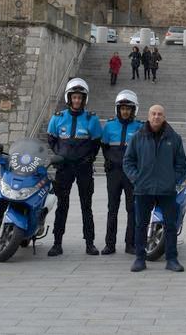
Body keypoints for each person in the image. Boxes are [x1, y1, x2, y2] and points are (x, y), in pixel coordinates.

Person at [123, 104, 186, 272]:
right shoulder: (138, 137)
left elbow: (181, 164)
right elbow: (128, 161)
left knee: (171, 225)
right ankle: (140, 258)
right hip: (143, 189)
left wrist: (172, 179)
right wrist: (136, 179)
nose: (156, 117)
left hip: (167, 190)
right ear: (148, 116)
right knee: (141, 225)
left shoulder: (174, 138)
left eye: (160, 114)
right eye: (153, 114)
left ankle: (172, 259)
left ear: (164, 117)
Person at [46, 78, 103, 256]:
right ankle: (57, 243)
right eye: (74, 97)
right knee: (62, 205)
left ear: (84, 99)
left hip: (83, 168)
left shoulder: (91, 119)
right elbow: (52, 140)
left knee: (87, 206)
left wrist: (89, 158)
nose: (77, 100)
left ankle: (90, 243)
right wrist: (59, 155)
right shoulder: (58, 118)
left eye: (80, 97)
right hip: (64, 169)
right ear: (69, 98)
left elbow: (96, 143)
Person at [100, 90, 142, 255]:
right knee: (112, 209)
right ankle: (109, 244)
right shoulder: (109, 126)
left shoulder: (139, 127)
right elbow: (104, 146)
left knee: (132, 209)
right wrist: (108, 160)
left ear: (133, 110)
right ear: (118, 109)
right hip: (114, 173)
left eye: (128, 108)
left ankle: (130, 244)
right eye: (122, 108)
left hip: (131, 174)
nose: (125, 111)